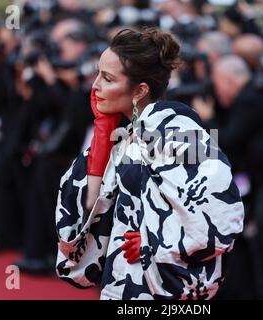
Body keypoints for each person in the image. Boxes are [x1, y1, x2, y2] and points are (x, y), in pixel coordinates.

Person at [55, 27, 245, 300]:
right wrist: (102, 128)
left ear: (140, 90)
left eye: (107, 78)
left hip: (158, 289)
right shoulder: (129, 133)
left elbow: (224, 214)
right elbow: (89, 208)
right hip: (123, 280)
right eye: (97, 74)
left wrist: (157, 243)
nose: (95, 85)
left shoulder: (176, 130)